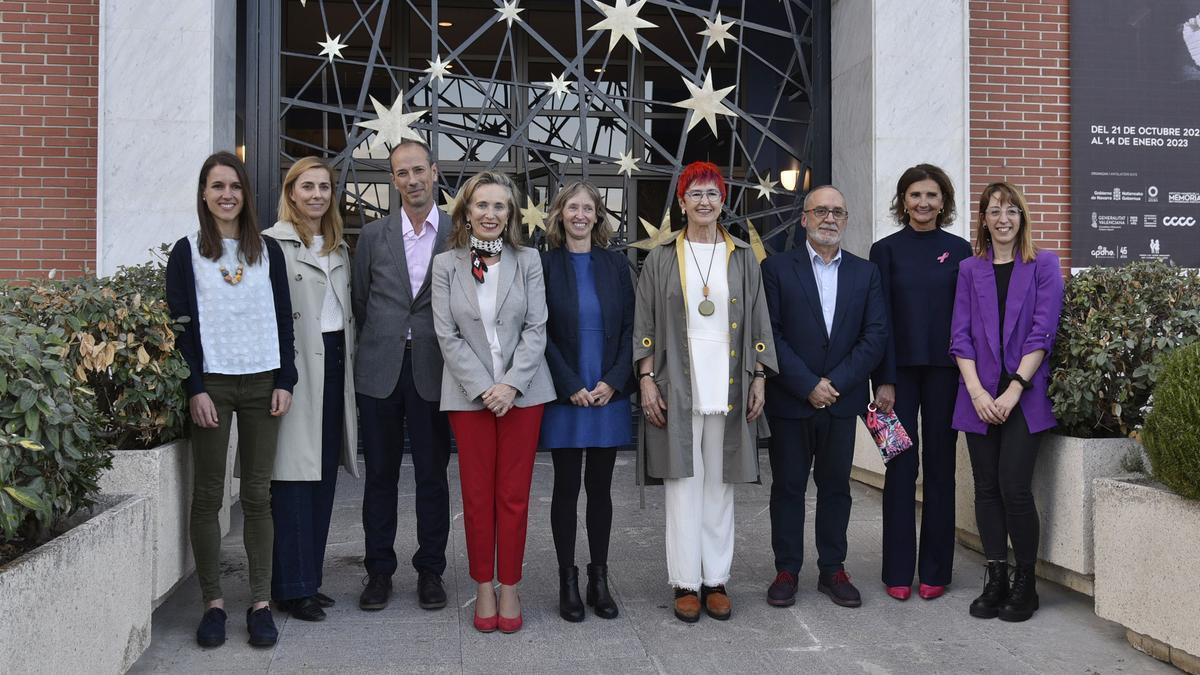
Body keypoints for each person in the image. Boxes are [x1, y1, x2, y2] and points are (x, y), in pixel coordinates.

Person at [633, 161, 777, 623]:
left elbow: (758, 318)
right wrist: (646, 380)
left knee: (720, 483)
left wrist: (759, 375)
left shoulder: (741, 256)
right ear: (681, 201)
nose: (704, 202)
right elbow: (646, 325)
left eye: (712, 194)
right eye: (694, 193)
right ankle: (685, 583)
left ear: (723, 202)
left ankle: (716, 579)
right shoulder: (660, 258)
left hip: (730, 382)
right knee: (682, 485)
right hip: (677, 382)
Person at [165, 151, 296, 648]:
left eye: (234, 186)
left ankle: (260, 603)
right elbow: (179, 327)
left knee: (258, 495)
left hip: (263, 382)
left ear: (245, 194)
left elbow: (284, 318)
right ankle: (213, 603)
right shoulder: (187, 252)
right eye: (217, 186)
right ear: (203, 194)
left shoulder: (267, 251)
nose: (226, 194)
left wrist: (286, 378)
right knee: (209, 495)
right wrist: (194, 387)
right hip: (213, 385)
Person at [431, 170, 556, 634]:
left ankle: (510, 585)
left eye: (499, 206)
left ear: (511, 213)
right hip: (469, 397)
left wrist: (510, 386)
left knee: (514, 496)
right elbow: (446, 334)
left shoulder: (528, 260)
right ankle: (483, 584)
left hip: (523, 396)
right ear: (466, 212)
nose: (490, 214)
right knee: (477, 495)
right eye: (481, 205)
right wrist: (486, 386)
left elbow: (537, 327)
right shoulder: (446, 265)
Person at [761, 185, 887, 610]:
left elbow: (875, 337)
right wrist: (807, 384)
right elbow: (770, 335)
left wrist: (833, 383)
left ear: (846, 219)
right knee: (789, 488)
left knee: (836, 488)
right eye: (820, 211)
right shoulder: (777, 269)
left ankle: (833, 569)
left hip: (841, 400)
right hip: (792, 400)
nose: (829, 219)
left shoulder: (866, 273)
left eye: (837, 211)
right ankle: (787, 570)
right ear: (804, 219)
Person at [950, 181, 1063, 623]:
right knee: (986, 488)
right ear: (982, 219)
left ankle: (1025, 582)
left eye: (1012, 210)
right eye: (995, 210)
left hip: (1025, 395)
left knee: (1014, 487)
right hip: (977, 395)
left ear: (1022, 218)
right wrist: (978, 392)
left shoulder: (1043, 265)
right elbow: (959, 335)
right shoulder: (968, 269)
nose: (1003, 219)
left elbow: (1043, 331)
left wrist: (1014, 388)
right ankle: (995, 576)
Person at [352, 138, 453, 612]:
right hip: (380, 372)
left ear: (433, 172)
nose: (411, 180)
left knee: (433, 475)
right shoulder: (372, 237)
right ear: (393, 180)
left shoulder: (460, 232)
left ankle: (431, 570)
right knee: (380, 476)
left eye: (418, 170)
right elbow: (360, 301)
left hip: (436, 370)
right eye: (401, 173)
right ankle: (378, 572)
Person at [869, 164, 972, 602]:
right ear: (903, 200)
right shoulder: (884, 250)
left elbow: (967, 315)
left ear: (944, 201)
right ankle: (896, 570)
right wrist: (884, 379)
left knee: (942, 470)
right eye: (915, 195)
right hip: (900, 377)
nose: (923, 203)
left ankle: (935, 571)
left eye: (931, 195)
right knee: (900, 467)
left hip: (947, 374)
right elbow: (880, 319)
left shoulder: (962, 249)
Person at [263, 157, 359, 622]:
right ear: (291, 191)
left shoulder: (338, 248)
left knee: (322, 477)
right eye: (308, 186)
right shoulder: (272, 244)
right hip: (298, 367)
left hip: (336, 363)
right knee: (292, 481)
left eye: (325, 186)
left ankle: (309, 580)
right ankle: (290, 586)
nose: (318, 194)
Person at [539, 181, 635, 622]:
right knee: (565, 488)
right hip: (566, 395)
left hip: (607, 395)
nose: (580, 215)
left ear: (598, 217)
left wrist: (614, 382)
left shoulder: (615, 266)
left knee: (600, 489)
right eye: (572, 208)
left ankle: (600, 579)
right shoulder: (543, 265)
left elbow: (634, 327)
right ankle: (568, 580)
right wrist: (569, 382)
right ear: (560, 214)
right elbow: (536, 330)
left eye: (588, 208)